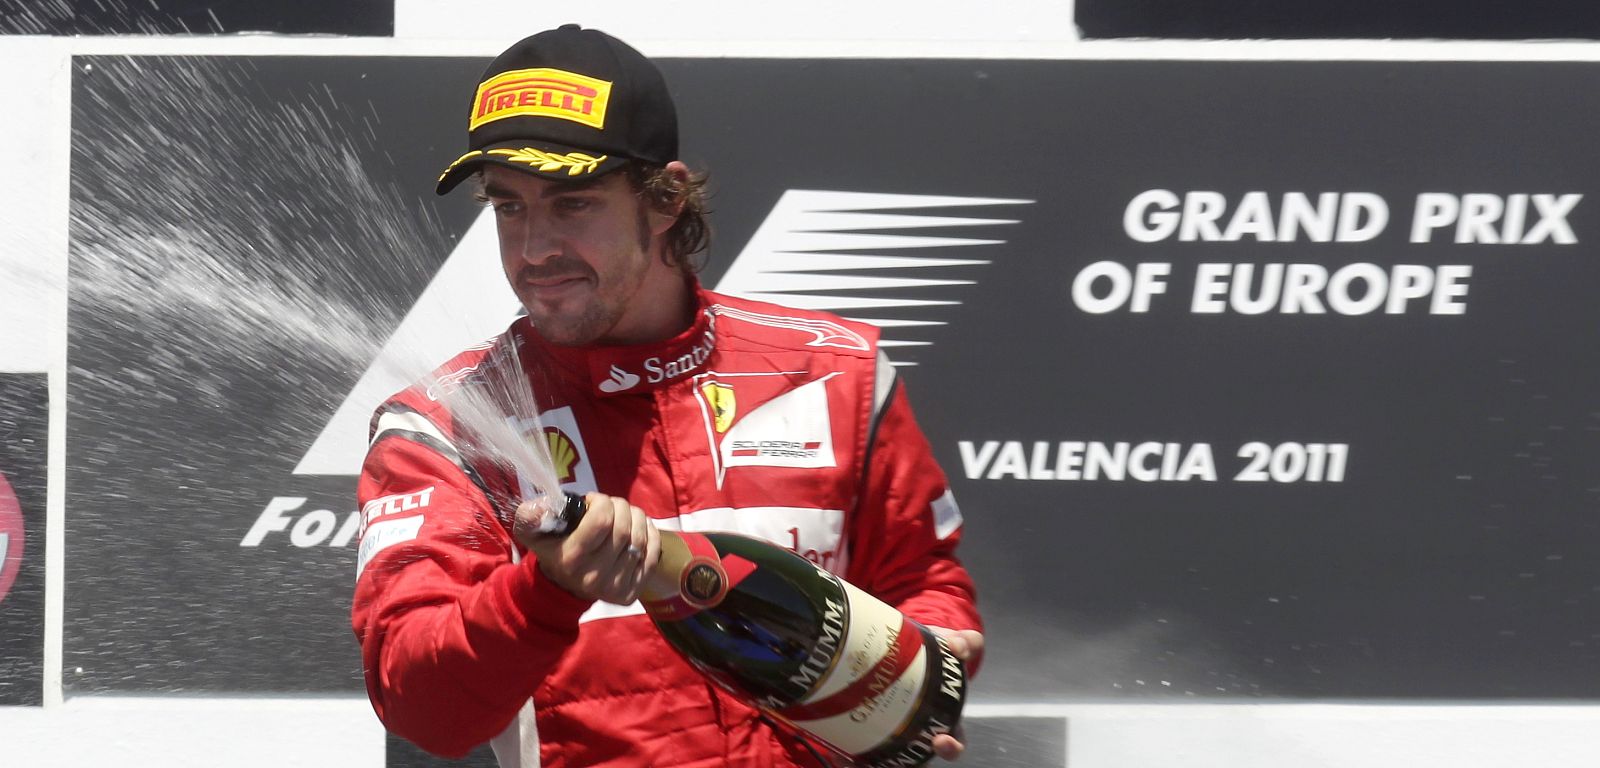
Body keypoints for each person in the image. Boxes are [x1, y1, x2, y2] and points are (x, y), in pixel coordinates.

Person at [350, 24, 983, 768]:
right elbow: (423, 709)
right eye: (508, 207)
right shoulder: (447, 426)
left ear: (665, 199)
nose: (533, 249)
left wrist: (922, 661)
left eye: (572, 203)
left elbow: (923, 582)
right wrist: (545, 591)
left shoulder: (835, 371)